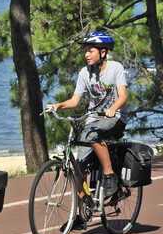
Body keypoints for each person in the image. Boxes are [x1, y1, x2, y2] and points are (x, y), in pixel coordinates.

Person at [47, 31, 128, 209]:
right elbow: (75, 101)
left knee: (92, 136)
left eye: (91, 50)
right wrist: (58, 105)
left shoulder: (116, 68)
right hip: (92, 121)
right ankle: (79, 213)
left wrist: (113, 109)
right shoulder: (85, 73)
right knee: (79, 168)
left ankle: (109, 176)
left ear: (103, 52)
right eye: (86, 51)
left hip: (116, 118)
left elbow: (123, 96)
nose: (86, 54)